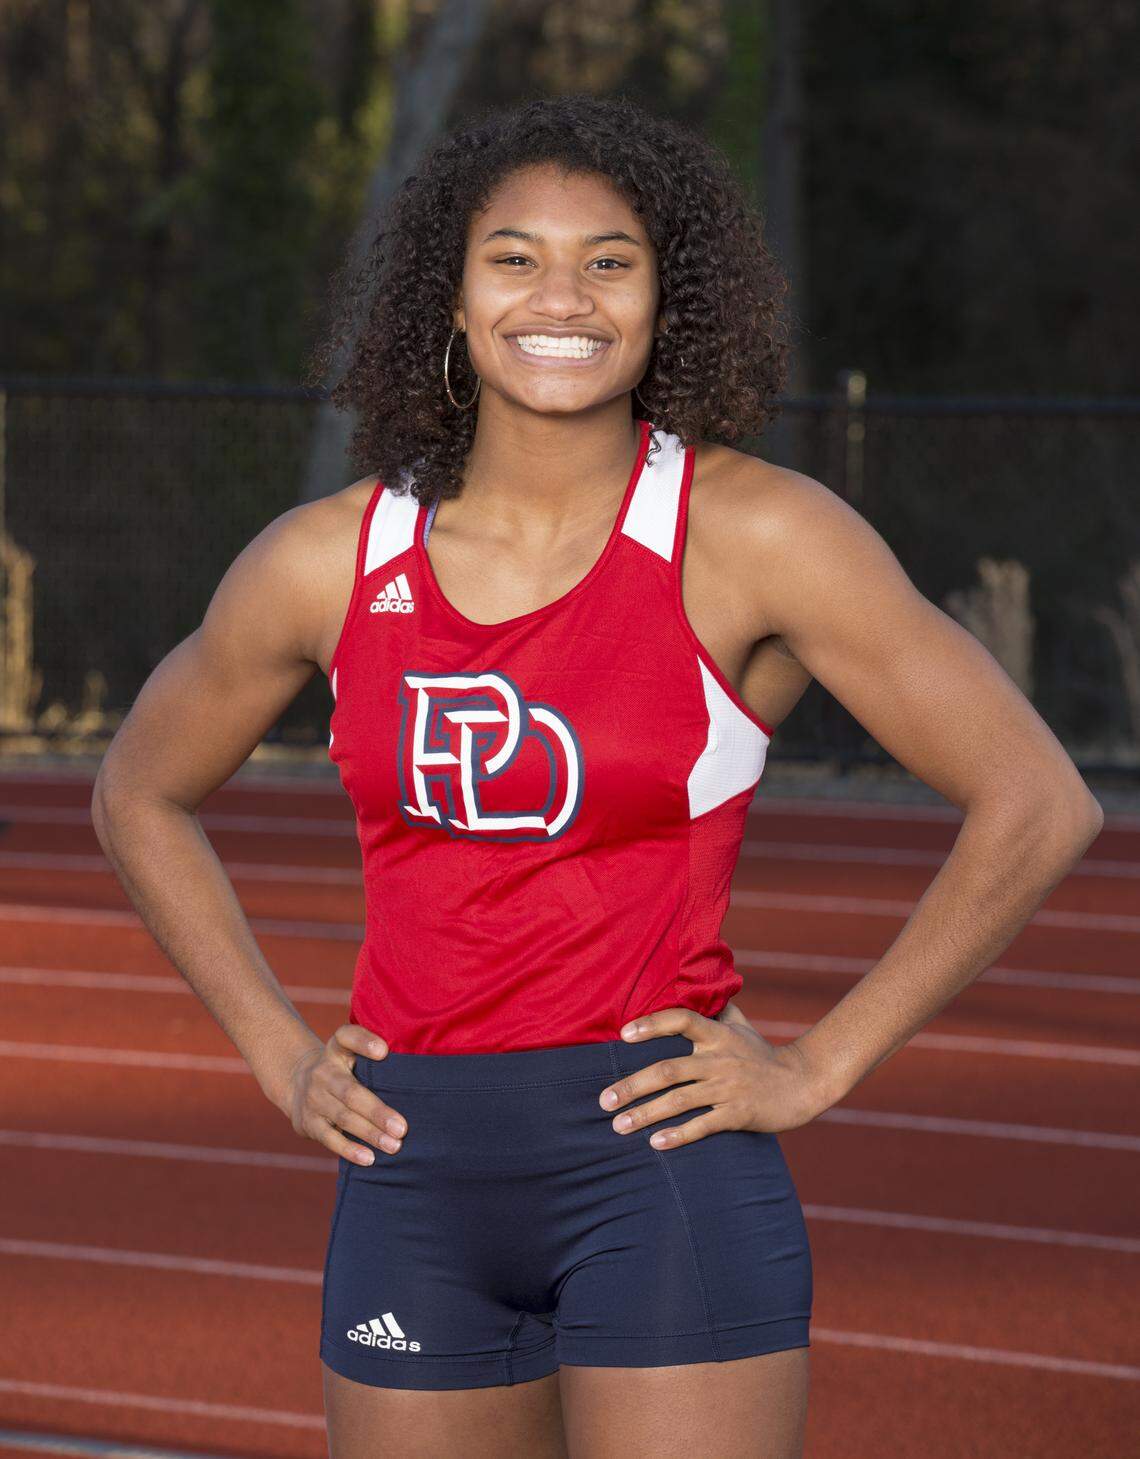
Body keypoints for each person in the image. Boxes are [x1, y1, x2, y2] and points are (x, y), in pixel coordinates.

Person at [91, 93, 1103, 1459]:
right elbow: (137, 794)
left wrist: (818, 1065)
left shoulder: (753, 533)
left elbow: (1039, 800)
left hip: (658, 1174)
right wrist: (280, 1056)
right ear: (447, 300)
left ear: (663, 300)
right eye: (513, 258)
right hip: (413, 1172)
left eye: (608, 260)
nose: (560, 296)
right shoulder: (327, 559)